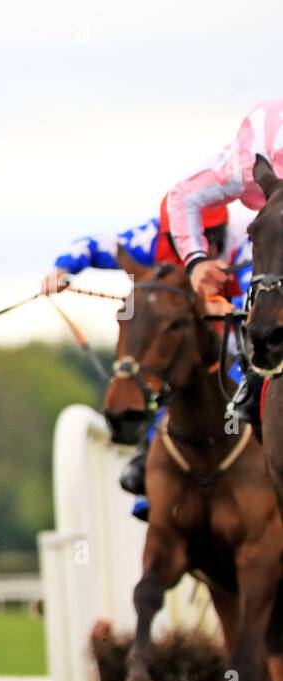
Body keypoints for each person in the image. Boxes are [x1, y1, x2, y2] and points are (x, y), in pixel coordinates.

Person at [42, 198, 252, 512]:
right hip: (185, 341)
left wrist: (227, 308)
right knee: (159, 380)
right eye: (191, 238)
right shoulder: (153, 237)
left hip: (235, 335)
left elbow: (257, 303)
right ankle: (149, 473)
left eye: (208, 237)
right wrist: (62, 268)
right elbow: (101, 244)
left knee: (243, 375)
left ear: (221, 230)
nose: (200, 247)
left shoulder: (246, 241)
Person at [166, 98, 283, 426]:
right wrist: (196, 263)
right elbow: (183, 195)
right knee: (263, 293)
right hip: (274, 228)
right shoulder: (243, 166)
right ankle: (253, 377)